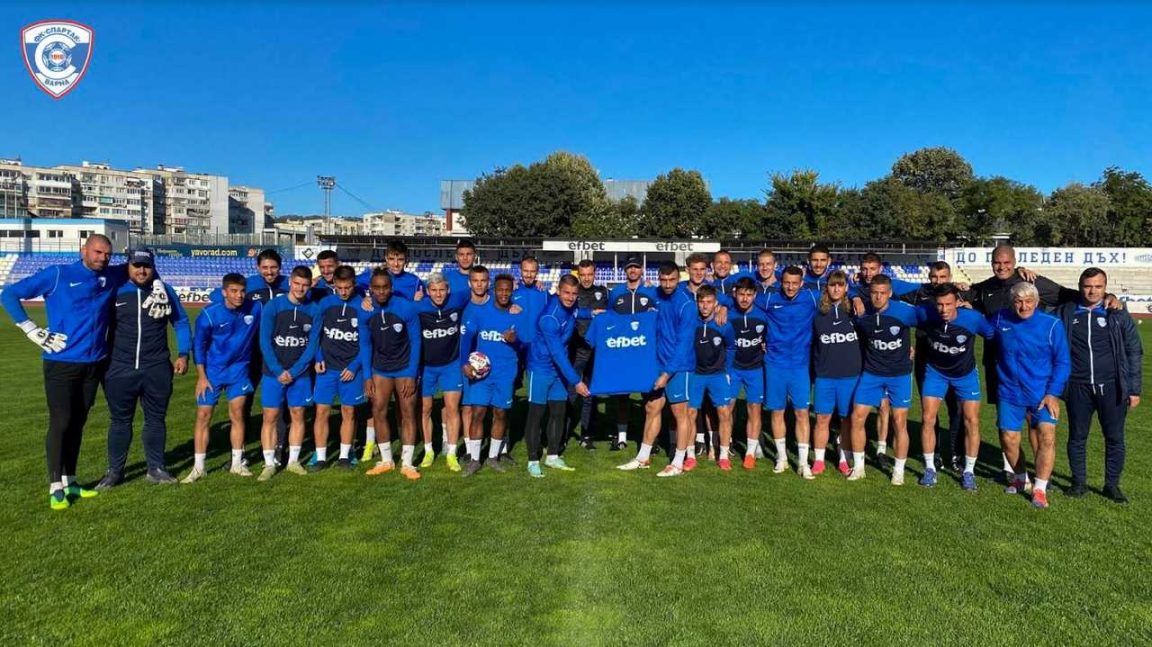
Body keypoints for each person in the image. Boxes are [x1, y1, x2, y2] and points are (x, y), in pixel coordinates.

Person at [2, 234, 165, 509]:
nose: (103, 258)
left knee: (78, 422)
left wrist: (158, 284)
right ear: (83, 250)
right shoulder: (57, 274)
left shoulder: (111, 274)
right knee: (61, 421)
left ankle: (71, 481)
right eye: (98, 252)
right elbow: (9, 294)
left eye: (107, 254)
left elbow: (144, 268)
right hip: (62, 362)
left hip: (95, 363)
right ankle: (55, 487)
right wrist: (31, 330)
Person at [96, 248, 191, 489]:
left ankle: (156, 468)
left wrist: (183, 353)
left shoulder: (164, 291)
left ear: (153, 267)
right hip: (119, 367)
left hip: (156, 367)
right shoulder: (115, 290)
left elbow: (180, 321)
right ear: (128, 266)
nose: (141, 270)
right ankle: (114, 472)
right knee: (120, 421)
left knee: (156, 420)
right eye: (136, 265)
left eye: (146, 266)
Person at [1056, 268, 1143, 503]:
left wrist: (1134, 389)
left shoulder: (1116, 313)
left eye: (1098, 286)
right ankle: (1079, 483)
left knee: (1114, 437)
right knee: (1077, 437)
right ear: (1080, 286)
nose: (1092, 291)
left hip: (1112, 386)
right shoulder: (1067, 312)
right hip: (1078, 386)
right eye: (1087, 286)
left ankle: (1112, 485)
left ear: (1105, 287)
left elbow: (1134, 350)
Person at [990, 282, 1070, 509]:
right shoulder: (1000, 318)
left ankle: (1040, 489)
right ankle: (1021, 478)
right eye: (1018, 301)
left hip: (1042, 394)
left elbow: (1063, 362)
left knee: (1047, 436)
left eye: (1028, 301)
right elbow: (979, 326)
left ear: (1037, 302)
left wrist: (1053, 393)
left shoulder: (1052, 325)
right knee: (1008, 438)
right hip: (1010, 392)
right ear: (1012, 302)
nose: (1023, 306)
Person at [183, 273, 262, 484]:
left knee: (237, 414)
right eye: (234, 291)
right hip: (212, 372)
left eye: (242, 291)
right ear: (224, 292)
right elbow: (198, 346)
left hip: (239, 371)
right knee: (204, 415)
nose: (239, 295)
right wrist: (201, 377)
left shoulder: (256, 308)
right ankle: (199, 467)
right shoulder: (209, 315)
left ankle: (237, 463)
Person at [618, 262, 695, 476]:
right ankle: (643, 457)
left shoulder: (686, 304)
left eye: (672, 280)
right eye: (664, 280)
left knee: (680, 413)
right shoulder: (655, 296)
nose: (667, 284)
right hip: (657, 363)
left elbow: (683, 345)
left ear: (678, 279)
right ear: (658, 278)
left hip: (679, 366)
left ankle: (678, 462)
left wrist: (667, 374)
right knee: (652, 408)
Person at [915, 283, 995, 491]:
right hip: (935, 373)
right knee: (928, 418)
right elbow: (899, 316)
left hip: (965, 375)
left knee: (972, 420)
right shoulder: (925, 313)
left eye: (948, 304)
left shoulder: (972, 318)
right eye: (940, 304)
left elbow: (992, 334)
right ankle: (930, 468)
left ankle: (969, 471)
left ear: (958, 302)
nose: (944, 309)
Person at [849, 275, 919, 484]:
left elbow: (929, 324)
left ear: (890, 293)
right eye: (874, 293)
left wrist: (915, 347)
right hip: (872, 373)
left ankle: (898, 471)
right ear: (869, 293)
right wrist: (855, 297)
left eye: (882, 293)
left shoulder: (904, 312)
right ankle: (859, 468)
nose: (878, 297)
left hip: (899, 374)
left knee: (899, 421)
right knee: (857, 417)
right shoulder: (863, 314)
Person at [257, 266, 322, 480]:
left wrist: (294, 371)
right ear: (290, 283)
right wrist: (278, 370)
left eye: (305, 285)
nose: (300, 288)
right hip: (273, 373)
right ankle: (269, 463)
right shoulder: (273, 306)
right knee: (270, 416)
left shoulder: (314, 310)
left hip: (300, 374)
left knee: (298, 414)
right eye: (297, 284)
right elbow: (264, 341)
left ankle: (293, 461)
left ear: (310, 286)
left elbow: (312, 345)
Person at [523, 275, 590, 477]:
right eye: (566, 293)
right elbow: (558, 354)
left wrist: (593, 313)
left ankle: (552, 456)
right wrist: (576, 381)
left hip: (558, 370)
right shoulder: (549, 319)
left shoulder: (571, 306)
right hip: (541, 368)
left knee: (558, 412)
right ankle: (532, 460)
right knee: (536, 413)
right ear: (558, 291)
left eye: (574, 293)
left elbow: (577, 312)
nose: (570, 297)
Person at [359, 268, 423, 480]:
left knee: (408, 412)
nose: (381, 291)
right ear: (371, 289)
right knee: (378, 411)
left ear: (392, 287)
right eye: (377, 287)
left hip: (404, 368)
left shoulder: (406, 307)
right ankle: (387, 460)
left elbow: (416, 342)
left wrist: (412, 374)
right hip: (380, 370)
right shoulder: (365, 310)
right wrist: (367, 376)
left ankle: (407, 463)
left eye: (385, 287)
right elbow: (365, 344)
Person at [756, 266, 820, 476]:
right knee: (777, 411)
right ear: (780, 282)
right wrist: (722, 307)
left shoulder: (812, 297)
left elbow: (840, 295)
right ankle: (781, 457)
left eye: (794, 283)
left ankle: (803, 463)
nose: (790, 287)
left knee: (802, 412)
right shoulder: (769, 299)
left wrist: (856, 299)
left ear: (802, 283)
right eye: (786, 283)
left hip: (800, 365)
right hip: (774, 363)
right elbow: (741, 301)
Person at [902, 261, 965, 470]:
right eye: (934, 277)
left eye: (942, 277)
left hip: (954, 361)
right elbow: (890, 295)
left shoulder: (961, 294)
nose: (938, 281)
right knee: (930, 411)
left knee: (957, 409)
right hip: (926, 359)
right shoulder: (920, 294)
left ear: (950, 277)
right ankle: (935, 453)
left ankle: (956, 453)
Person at [458, 271, 522, 476]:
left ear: (512, 292)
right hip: (482, 374)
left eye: (507, 290)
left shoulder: (517, 314)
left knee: (501, 413)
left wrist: (515, 341)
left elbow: (525, 344)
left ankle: (493, 457)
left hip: (505, 373)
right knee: (478, 412)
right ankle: (475, 460)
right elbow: (466, 339)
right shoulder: (479, 312)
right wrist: (464, 363)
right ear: (494, 290)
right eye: (500, 290)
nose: (504, 293)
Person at [312, 265, 367, 471]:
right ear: (334, 284)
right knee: (321, 412)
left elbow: (366, 343)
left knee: (348, 411)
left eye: (347, 287)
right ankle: (320, 457)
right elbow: (316, 334)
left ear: (354, 285)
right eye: (339, 287)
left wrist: (354, 366)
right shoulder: (325, 304)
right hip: (327, 369)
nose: (343, 292)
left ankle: (345, 456)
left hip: (351, 370)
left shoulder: (363, 306)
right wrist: (318, 357)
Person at [414, 272, 466, 472]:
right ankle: (428, 451)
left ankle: (452, 453)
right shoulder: (418, 307)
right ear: (427, 291)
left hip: (451, 365)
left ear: (448, 289)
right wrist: (367, 301)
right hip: (426, 367)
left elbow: (482, 292)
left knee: (452, 408)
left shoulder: (457, 300)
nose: (438, 294)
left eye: (442, 290)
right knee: (425, 409)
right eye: (434, 290)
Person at [811, 270, 860, 477]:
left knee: (846, 420)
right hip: (825, 376)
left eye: (840, 285)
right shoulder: (818, 315)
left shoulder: (855, 312)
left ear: (847, 288)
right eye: (832, 285)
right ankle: (819, 460)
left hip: (850, 376)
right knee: (822, 418)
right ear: (827, 288)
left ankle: (843, 458)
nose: (836, 289)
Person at [607, 255, 658, 451]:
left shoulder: (652, 291)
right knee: (622, 396)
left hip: (645, 352)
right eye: (629, 267)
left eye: (636, 267)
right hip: (623, 351)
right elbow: (610, 319)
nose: (633, 270)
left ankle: (650, 439)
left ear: (642, 269)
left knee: (649, 396)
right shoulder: (616, 292)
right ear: (625, 270)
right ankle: (621, 437)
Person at [687, 286, 736, 470]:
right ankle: (690, 455)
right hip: (696, 374)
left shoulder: (724, 325)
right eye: (701, 302)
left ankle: (723, 455)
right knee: (690, 413)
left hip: (718, 375)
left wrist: (727, 371)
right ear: (697, 303)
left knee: (724, 413)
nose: (705, 306)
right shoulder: (692, 323)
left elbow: (731, 347)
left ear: (716, 304)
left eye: (709, 302)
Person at [728, 278, 767, 469]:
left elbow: (769, 338)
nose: (745, 298)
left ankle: (750, 452)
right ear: (735, 294)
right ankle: (725, 446)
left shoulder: (763, 316)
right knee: (727, 408)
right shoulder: (727, 315)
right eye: (741, 294)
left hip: (755, 369)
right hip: (732, 369)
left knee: (754, 409)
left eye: (749, 295)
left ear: (755, 295)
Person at [570, 259, 609, 449]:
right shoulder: (572, 292)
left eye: (590, 274)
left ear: (595, 273)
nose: (586, 278)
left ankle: (586, 434)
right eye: (583, 275)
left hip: (596, 351)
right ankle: (563, 431)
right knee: (570, 392)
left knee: (590, 394)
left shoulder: (604, 292)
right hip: (576, 350)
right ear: (578, 274)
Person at [358, 240, 423, 301]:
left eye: (400, 259)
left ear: (406, 260)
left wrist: (418, 303)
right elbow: (353, 285)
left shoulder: (415, 282)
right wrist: (362, 300)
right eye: (391, 259)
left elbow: (426, 302)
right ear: (386, 259)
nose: (396, 264)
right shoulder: (374, 277)